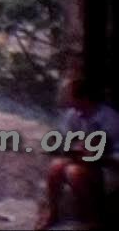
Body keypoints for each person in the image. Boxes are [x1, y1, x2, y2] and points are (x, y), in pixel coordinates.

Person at [35, 77, 119, 230]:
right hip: (82, 159)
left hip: (108, 166)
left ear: (84, 98)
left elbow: (113, 152)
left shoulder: (110, 118)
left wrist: (96, 155)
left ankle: (93, 218)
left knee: (74, 172)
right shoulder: (73, 114)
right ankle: (52, 211)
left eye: (71, 97)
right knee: (56, 166)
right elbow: (64, 140)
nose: (68, 101)